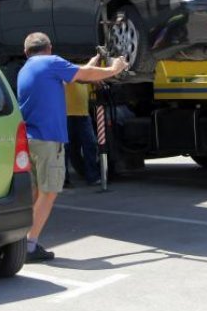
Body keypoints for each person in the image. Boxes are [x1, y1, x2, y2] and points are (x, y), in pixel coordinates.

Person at [17, 32, 128, 263]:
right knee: (49, 193)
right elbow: (84, 75)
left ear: (26, 51)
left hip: (30, 140)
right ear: (49, 48)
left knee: (36, 192)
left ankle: (21, 241)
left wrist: (91, 63)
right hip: (48, 140)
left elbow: (76, 75)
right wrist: (114, 69)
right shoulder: (52, 62)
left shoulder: (27, 68)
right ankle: (29, 246)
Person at [65, 82, 101, 186]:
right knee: (66, 148)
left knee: (90, 144)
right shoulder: (66, 68)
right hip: (67, 114)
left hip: (83, 113)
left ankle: (92, 176)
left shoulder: (82, 70)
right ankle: (63, 179)